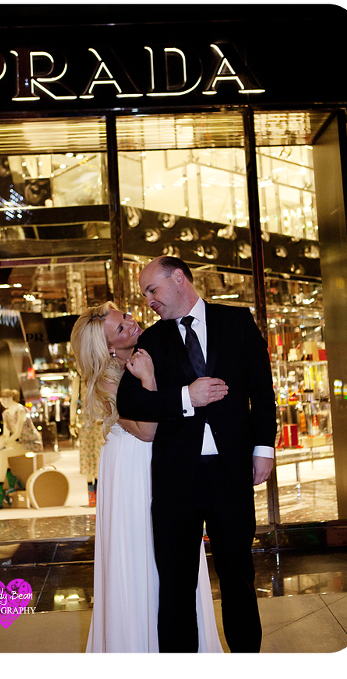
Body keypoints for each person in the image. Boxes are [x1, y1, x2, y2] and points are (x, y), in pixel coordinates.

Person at [117, 257, 277, 656]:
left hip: (231, 474)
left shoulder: (237, 322)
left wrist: (264, 449)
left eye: (152, 289)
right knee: (176, 585)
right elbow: (129, 401)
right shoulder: (152, 340)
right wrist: (186, 397)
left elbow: (263, 391)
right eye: (145, 294)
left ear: (179, 278)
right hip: (176, 480)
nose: (149, 300)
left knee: (238, 576)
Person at [70, 302, 224, 655]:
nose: (132, 323)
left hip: (166, 461)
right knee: (143, 554)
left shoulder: (152, 351)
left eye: (125, 316)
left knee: (177, 555)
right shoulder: (107, 381)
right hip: (133, 469)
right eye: (120, 328)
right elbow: (148, 431)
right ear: (108, 347)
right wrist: (149, 379)